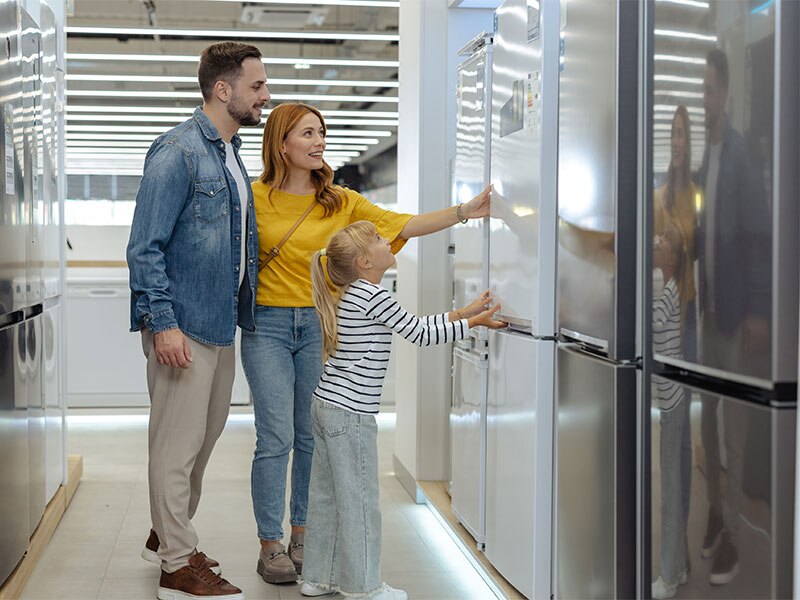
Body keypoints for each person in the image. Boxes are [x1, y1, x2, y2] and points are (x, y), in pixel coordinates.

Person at [241, 102, 491, 584]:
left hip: (319, 323)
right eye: (308, 133)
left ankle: (303, 534)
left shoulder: (340, 200)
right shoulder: (253, 198)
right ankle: (269, 543)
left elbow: (403, 224)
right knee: (276, 436)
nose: (319, 142)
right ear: (281, 143)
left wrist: (464, 212)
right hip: (266, 325)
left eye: (322, 133)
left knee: (311, 433)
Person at [127, 41, 270, 600]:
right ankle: (177, 563)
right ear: (223, 89)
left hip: (220, 319)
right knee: (176, 446)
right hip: (181, 323)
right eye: (257, 86)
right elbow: (145, 247)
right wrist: (162, 323)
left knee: (203, 440)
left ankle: (167, 534)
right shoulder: (179, 152)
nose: (265, 95)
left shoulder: (230, 154)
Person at [298, 221, 505, 600]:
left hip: (326, 404)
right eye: (378, 239)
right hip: (350, 414)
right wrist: (473, 321)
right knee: (359, 501)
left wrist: (464, 312)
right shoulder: (374, 295)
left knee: (326, 496)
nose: (387, 240)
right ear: (365, 262)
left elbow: (415, 324)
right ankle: (363, 587)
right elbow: (420, 333)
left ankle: (317, 577)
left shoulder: (351, 293)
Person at [695, 47, 769, 587]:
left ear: (726, 93)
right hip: (707, 315)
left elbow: (759, 241)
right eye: (701, 90)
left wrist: (760, 311)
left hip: (737, 319)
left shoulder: (740, 157)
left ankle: (736, 544)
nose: (704, 99)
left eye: (710, 90)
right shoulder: (706, 158)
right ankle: (717, 515)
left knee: (735, 437)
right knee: (708, 421)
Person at [651, 222, 690, 600]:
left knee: (671, 490)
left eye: (661, 242)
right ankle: (679, 565)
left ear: (672, 257)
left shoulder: (666, 294)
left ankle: (668, 577)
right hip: (672, 399)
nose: (655, 245)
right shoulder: (667, 288)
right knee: (673, 486)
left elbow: (645, 329)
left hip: (672, 402)